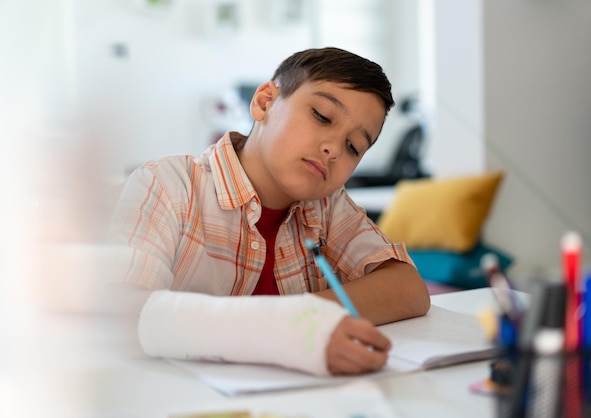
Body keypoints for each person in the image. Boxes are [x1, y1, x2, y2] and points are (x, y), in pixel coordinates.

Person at [107, 47, 431, 376]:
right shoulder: (167, 184)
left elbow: (409, 288)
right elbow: (122, 312)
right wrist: (282, 327)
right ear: (265, 102)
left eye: (353, 147)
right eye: (321, 115)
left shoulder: (327, 205)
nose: (333, 149)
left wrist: (298, 323)